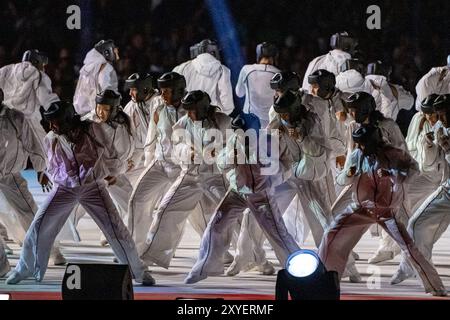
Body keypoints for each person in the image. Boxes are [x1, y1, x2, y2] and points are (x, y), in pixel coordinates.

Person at [5, 101, 155, 286]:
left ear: (67, 119)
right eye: (50, 122)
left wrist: (113, 172)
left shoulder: (92, 129)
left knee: (116, 229)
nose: (52, 126)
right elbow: (53, 164)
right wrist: (46, 173)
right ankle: (25, 268)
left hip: (93, 187)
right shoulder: (52, 138)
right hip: (64, 189)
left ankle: (137, 271)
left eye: (55, 122)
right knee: (39, 225)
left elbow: (110, 153)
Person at [318, 124, 447, 297]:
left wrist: (394, 174)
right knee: (331, 235)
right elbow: (342, 180)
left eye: (363, 144)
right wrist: (348, 173)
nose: (360, 147)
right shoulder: (357, 155)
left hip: (386, 211)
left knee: (409, 248)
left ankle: (435, 286)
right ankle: (324, 281)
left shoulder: (393, 154)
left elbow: (414, 170)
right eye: (358, 144)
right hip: (361, 208)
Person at [184, 112, 300, 284]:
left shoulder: (269, 142)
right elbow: (221, 163)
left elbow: (287, 163)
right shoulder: (234, 142)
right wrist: (232, 158)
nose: (239, 135)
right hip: (237, 192)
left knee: (277, 233)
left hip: (261, 195)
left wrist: (271, 180)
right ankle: (202, 267)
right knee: (216, 226)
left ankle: (298, 268)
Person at [138, 90, 230, 269]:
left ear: (203, 108)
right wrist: (188, 152)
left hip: (214, 177)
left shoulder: (223, 121)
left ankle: (249, 257)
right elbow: (176, 146)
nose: (188, 113)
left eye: (192, 110)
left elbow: (234, 145)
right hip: (189, 176)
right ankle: (153, 254)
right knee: (165, 210)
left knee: (229, 213)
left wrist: (219, 153)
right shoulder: (183, 123)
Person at [0, 88, 65, 268]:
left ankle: (51, 250)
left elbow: (32, 144)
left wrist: (40, 170)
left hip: (9, 175)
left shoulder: (14, 117)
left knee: (27, 212)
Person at [391, 94, 450, 286]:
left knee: (419, 224)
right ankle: (410, 265)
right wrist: (430, 144)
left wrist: (446, 149)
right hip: (434, 179)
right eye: (435, 116)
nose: (436, 120)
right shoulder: (429, 123)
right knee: (417, 223)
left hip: (440, 181)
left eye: (440, 115)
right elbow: (426, 161)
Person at [173, 39, 234, 115]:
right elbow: (227, 104)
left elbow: (172, 96)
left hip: (187, 117)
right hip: (212, 119)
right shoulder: (223, 70)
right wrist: (218, 118)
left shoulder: (182, 68)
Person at [123, 73, 163, 185]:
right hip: (140, 157)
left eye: (134, 89)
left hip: (162, 156)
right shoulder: (130, 107)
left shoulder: (161, 103)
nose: (130, 93)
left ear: (145, 89)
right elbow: (129, 136)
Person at [236, 42, 281, 127]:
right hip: (271, 122)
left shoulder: (246, 69)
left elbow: (239, 94)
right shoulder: (279, 74)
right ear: (275, 56)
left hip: (249, 120)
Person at [73, 40, 119, 116]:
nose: (117, 55)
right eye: (114, 51)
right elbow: (107, 92)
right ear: (107, 52)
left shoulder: (88, 66)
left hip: (82, 115)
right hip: (96, 114)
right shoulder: (105, 67)